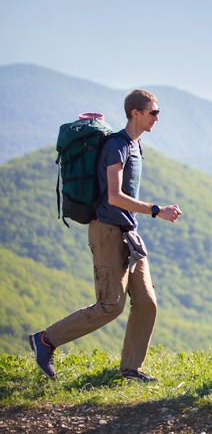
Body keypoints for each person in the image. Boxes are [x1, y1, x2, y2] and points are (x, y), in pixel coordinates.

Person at [29, 90, 183, 382]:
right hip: (107, 233)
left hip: (128, 232)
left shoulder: (135, 146)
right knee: (110, 306)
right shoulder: (117, 146)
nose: (157, 118)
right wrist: (156, 210)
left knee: (147, 302)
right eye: (153, 112)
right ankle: (46, 340)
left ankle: (130, 369)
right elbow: (114, 196)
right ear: (135, 113)